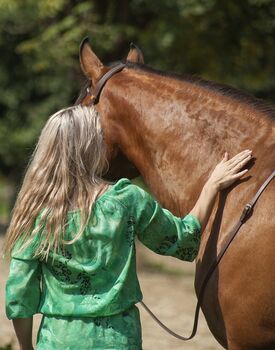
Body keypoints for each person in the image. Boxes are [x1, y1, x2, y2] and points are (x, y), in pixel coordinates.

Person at [4, 105, 252, 350]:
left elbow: (19, 295)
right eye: (100, 137)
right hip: (118, 340)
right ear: (91, 147)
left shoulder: (34, 213)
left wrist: (26, 347)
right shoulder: (127, 199)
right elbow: (183, 241)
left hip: (58, 340)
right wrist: (211, 187)